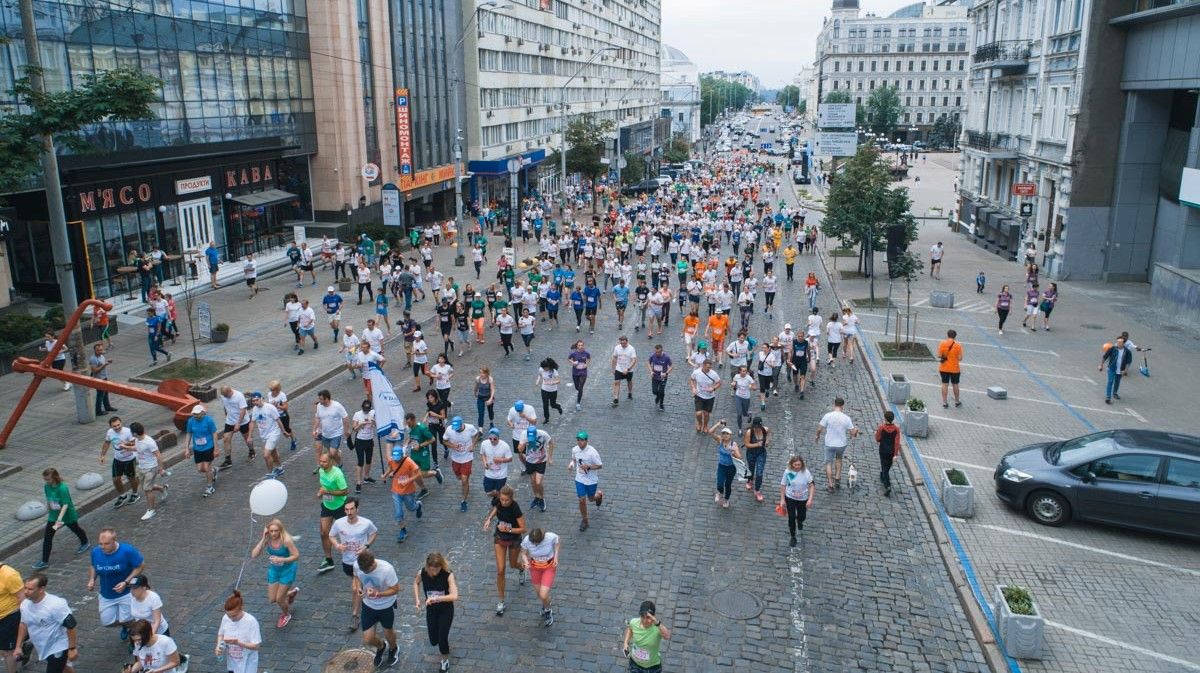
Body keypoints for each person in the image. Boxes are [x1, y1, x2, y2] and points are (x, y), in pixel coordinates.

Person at [87, 528, 144, 643]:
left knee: (127, 618)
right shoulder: (95, 552)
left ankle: (135, 638)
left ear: (115, 540)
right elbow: (93, 566)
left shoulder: (127, 551)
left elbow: (140, 566)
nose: (102, 547)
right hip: (106, 594)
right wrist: (92, 579)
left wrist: (126, 582)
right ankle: (126, 625)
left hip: (126, 593)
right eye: (100, 543)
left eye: (106, 544)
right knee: (107, 622)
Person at [330, 497, 378, 631]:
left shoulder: (366, 523)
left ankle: (355, 616)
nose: (349, 512)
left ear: (357, 509)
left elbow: (374, 533)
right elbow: (331, 536)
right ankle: (365, 591)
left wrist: (366, 546)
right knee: (358, 584)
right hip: (347, 561)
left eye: (352, 509)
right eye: (346, 509)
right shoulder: (339, 523)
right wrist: (337, 545)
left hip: (361, 561)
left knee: (355, 588)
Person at [14, 574, 76, 673]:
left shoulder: (56, 604)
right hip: (43, 647)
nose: (25, 592)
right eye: (25, 588)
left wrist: (72, 648)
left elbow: (71, 626)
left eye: (30, 589)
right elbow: (24, 624)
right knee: (65, 668)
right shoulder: (25, 605)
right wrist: (18, 646)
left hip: (58, 647)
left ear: (41, 589)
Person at [482, 485, 526, 616]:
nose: (504, 502)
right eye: (502, 499)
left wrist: (510, 530)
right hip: (500, 537)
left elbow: (523, 529)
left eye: (506, 500)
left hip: (513, 538)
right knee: (500, 570)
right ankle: (501, 601)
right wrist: (489, 519)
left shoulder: (515, 508)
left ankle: (521, 568)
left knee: (513, 564)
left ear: (511, 499)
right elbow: (496, 508)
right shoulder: (499, 502)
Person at [352, 550, 401, 667]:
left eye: (367, 571)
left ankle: (393, 648)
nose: (364, 572)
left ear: (373, 563)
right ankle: (381, 646)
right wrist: (359, 588)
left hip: (386, 606)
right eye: (362, 570)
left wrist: (378, 594)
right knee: (368, 639)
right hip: (368, 605)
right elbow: (356, 577)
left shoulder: (387, 569)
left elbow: (395, 589)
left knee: (388, 632)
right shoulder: (357, 566)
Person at [249, 518, 300, 628]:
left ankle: (286, 615)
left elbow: (296, 556)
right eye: (271, 531)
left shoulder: (286, 541)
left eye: (276, 531)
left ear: (280, 530)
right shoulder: (267, 540)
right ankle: (291, 593)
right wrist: (263, 538)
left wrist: (282, 560)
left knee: (279, 600)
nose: (273, 534)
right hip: (274, 571)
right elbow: (254, 555)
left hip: (287, 571)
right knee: (272, 599)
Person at [35, 469, 89, 570]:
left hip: (66, 516)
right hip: (54, 517)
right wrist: (48, 509)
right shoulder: (47, 487)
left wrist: (60, 519)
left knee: (75, 529)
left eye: (48, 479)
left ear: (55, 477)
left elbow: (65, 504)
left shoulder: (62, 488)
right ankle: (44, 561)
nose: (47, 481)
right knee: (48, 537)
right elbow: (49, 499)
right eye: (45, 479)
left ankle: (85, 542)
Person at [413, 553, 458, 672]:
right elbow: (416, 583)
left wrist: (437, 599)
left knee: (442, 638)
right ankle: (442, 645)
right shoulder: (422, 572)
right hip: (431, 610)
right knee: (434, 640)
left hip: (446, 610)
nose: (434, 572)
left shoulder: (448, 575)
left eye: (437, 569)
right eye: (431, 569)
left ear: (441, 566)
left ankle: (445, 661)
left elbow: (454, 596)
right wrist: (417, 599)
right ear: (427, 566)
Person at [316, 452, 350, 574]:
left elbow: (345, 491)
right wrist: (321, 492)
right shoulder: (321, 470)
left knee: (345, 533)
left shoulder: (337, 474)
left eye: (324, 461)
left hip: (340, 506)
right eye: (320, 461)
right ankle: (328, 560)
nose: (321, 463)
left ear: (331, 461)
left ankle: (352, 556)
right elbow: (323, 485)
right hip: (327, 506)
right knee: (324, 533)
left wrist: (328, 492)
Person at [519, 528, 560, 627]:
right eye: (533, 543)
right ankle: (545, 604)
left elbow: (557, 541)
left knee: (543, 594)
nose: (535, 545)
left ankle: (547, 610)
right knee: (539, 593)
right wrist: (526, 561)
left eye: (537, 543)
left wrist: (556, 557)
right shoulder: (527, 540)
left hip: (548, 568)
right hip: (535, 568)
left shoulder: (550, 537)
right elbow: (523, 553)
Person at [815, 397, 858, 492]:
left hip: (829, 443)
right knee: (839, 459)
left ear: (834, 404)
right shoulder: (846, 418)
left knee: (828, 463)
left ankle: (830, 484)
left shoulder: (828, 416)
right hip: (841, 444)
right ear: (843, 406)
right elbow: (852, 433)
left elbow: (819, 429)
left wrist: (817, 436)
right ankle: (837, 478)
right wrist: (856, 431)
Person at [129, 422, 168, 521]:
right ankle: (162, 488)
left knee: (147, 490)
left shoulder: (149, 442)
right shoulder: (137, 439)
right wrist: (126, 448)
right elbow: (137, 448)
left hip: (151, 468)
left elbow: (158, 455)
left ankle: (151, 510)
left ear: (135, 433)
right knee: (145, 487)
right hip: (142, 467)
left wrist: (161, 469)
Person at [215, 591, 261, 673]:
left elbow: (256, 646)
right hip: (232, 662)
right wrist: (218, 646)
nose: (231, 619)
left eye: (234, 615)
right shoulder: (226, 618)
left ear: (241, 609)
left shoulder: (251, 621)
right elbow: (221, 634)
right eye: (229, 616)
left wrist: (239, 643)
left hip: (248, 662)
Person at [100, 416, 139, 510]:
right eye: (114, 426)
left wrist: (125, 445)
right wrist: (102, 455)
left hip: (129, 458)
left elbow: (134, 444)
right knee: (116, 479)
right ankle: (123, 495)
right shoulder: (110, 432)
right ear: (110, 426)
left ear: (121, 423)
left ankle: (135, 494)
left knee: (131, 478)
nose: (117, 427)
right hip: (118, 459)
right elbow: (106, 443)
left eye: (118, 425)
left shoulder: (127, 431)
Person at [443, 416, 481, 512]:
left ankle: (464, 501)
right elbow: (444, 440)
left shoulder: (470, 428)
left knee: (464, 480)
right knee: (459, 477)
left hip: (467, 457)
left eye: (458, 429)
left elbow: (477, 434)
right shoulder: (449, 430)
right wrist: (452, 446)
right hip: (455, 458)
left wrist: (473, 445)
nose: (456, 430)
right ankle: (466, 483)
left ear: (462, 424)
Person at [568, 431, 604, 532]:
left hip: (591, 480)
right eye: (578, 440)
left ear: (586, 441)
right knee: (582, 500)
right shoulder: (575, 449)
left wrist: (589, 467)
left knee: (591, 498)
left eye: (582, 440)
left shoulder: (592, 452)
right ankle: (585, 520)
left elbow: (600, 466)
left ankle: (599, 495)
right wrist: (571, 464)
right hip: (579, 479)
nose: (580, 442)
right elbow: (574, 460)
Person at [623, 600, 671, 673]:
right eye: (642, 616)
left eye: (648, 617)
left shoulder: (657, 629)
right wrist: (626, 643)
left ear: (653, 616)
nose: (645, 620)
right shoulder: (634, 622)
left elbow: (667, 636)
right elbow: (630, 629)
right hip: (634, 664)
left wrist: (656, 622)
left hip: (652, 667)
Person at [183, 405, 219, 497]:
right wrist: (186, 448)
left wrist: (216, 448)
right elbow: (189, 434)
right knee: (200, 469)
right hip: (197, 448)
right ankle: (214, 470)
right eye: (194, 414)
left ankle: (210, 487)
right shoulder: (191, 421)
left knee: (206, 467)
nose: (195, 416)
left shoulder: (209, 420)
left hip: (209, 446)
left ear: (203, 413)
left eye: (197, 414)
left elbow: (214, 434)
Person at [780, 455, 815, 547]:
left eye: (799, 465)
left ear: (802, 465)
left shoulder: (806, 473)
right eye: (795, 465)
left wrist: (810, 499)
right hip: (790, 497)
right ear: (792, 464)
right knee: (791, 517)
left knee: (802, 516)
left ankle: (800, 521)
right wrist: (782, 499)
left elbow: (811, 485)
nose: (797, 467)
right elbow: (783, 485)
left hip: (802, 499)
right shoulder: (788, 472)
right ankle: (793, 536)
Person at [707, 421, 742, 509]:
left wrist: (733, 452)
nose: (725, 435)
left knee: (728, 484)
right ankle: (719, 492)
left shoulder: (733, 444)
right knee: (719, 482)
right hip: (722, 466)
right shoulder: (720, 440)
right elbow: (710, 432)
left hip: (731, 467)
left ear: (730, 435)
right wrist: (718, 424)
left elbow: (739, 457)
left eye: (727, 434)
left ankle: (726, 499)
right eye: (723, 433)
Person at [218, 386, 253, 469]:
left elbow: (243, 410)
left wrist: (238, 424)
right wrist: (226, 414)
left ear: (230, 391)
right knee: (226, 438)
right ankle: (228, 460)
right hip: (230, 421)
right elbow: (225, 405)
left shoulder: (239, 396)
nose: (225, 397)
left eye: (227, 395)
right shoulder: (223, 396)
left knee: (246, 438)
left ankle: (252, 451)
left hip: (243, 421)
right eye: (224, 396)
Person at [312, 389, 350, 465]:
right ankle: (337, 453)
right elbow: (317, 418)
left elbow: (345, 417)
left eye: (321, 399)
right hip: (325, 434)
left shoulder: (337, 406)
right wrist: (314, 430)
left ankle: (339, 464)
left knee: (332, 453)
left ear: (327, 399)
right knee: (331, 452)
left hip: (336, 434)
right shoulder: (319, 406)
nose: (319, 401)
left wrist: (346, 430)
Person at [350, 400, 377, 493]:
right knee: (360, 461)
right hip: (360, 441)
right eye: (365, 409)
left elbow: (378, 425)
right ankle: (358, 482)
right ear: (362, 407)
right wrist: (360, 424)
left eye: (368, 409)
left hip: (369, 440)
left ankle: (366, 476)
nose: (366, 411)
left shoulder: (373, 413)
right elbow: (354, 428)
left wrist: (374, 422)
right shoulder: (357, 414)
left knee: (369, 460)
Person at [688, 359, 721, 432]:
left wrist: (713, 388)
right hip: (699, 395)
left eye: (710, 367)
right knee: (698, 413)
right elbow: (691, 379)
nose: (709, 369)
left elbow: (719, 383)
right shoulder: (697, 372)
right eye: (707, 367)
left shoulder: (714, 374)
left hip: (710, 397)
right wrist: (693, 388)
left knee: (706, 414)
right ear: (703, 366)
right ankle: (700, 423)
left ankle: (705, 426)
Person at [874, 411, 902, 498]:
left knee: (884, 466)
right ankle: (882, 475)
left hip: (883, 451)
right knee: (887, 467)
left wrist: (877, 435)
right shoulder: (896, 429)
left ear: (885, 418)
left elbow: (878, 439)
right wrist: (895, 454)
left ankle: (887, 485)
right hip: (891, 452)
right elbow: (897, 443)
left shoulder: (882, 427)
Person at [742, 417, 770, 502]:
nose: (757, 429)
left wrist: (767, 442)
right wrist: (757, 444)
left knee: (759, 472)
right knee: (751, 468)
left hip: (761, 453)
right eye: (755, 427)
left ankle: (757, 490)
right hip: (751, 453)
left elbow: (769, 436)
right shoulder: (749, 432)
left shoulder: (765, 430)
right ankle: (750, 480)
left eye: (758, 427)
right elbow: (747, 444)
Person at [936, 329, 963, 409]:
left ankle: (945, 402)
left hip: (944, 368)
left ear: (947, 335)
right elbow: (960, 358)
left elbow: (939, 355)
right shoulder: (958, 345)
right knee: (955, 384)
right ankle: (957, 401)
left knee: (944, 384)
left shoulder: (942, 343)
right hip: (955, 368)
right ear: (955, 336)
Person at [88, 344, 116, 417]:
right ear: (94, 350)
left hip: (104, 377)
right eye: (98, 350)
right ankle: (98, 411)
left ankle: (107, 407)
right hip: (98, 379)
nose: (100, 351)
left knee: (105, 393)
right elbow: (95, 371)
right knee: (100, 395)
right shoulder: (93, 359)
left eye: (101, 350)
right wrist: (105, 365)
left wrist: (107, 362)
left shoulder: (102, 356)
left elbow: (102, 364)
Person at [1100, 336, 1131, 404]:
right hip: (1111, 368)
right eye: (1117, 342)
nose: (1118, 343)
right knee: (1110, 381)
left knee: (1117, 382)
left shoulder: (1127, 352)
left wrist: (1125, 371)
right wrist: (1101, 365)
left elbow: (1128, 362)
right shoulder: (1112, 349)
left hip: (1120, 370)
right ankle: (1108, 397)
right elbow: (1105, 356)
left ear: (1124, 343)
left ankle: (1115, 393)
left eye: (1120, 342)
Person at [611, 335, 638, 406]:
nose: (622, 345)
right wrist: (613, 368)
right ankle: (616, 398)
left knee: (629, 381)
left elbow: (634, 360)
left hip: (628, 369)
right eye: (621, 343)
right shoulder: (617, 347)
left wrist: (628, 368)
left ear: (627, 341)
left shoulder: (631, 349)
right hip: (619, 368)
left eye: (624, 343)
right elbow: (614, 357)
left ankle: (630, 392)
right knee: (617, 382)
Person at [646, 344, 672, 411]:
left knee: (661, 391)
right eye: (656, 352)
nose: (657, 353)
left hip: (663, 377)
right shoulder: (653, 356)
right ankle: (658, 396)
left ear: (662, 351)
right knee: (654, 391)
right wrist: (651, 371)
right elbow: (648, 363)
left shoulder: (666, 357)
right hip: (655, 376)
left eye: (659, 352)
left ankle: (661, 405)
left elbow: (671, 366)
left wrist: (666, 373)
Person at [567, 341, 591, 410]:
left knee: (580, 388)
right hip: (575, 372)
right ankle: (580, 392)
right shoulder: (573, 353)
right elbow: (569, 358)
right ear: (577, 346)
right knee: (577, 387)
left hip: (583, 372)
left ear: (583, 346)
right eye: (579, 345)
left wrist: (586, 364)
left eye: (582, 345)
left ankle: (578, 403)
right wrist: (573, 362)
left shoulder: (586, 353)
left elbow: (589, 358)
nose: (581, 347)